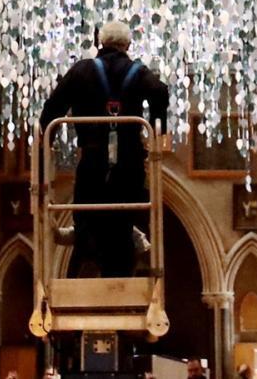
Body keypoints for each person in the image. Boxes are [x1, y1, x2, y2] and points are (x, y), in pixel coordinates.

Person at [39, 18, 170, 277]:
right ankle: (121, 273)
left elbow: (51, 109)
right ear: (127, 45)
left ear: (101, 42)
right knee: (123, 222)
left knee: (87, 217)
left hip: (92, 159)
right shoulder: (138, 71)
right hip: (128, 164)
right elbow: (160, 91)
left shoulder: (82, 70)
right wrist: (158, 128)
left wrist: (46, 141)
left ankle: (87, 264)